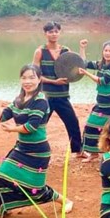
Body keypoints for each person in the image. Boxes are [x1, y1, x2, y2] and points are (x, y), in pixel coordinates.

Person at [0, 65, 73, 218]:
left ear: (39, 80)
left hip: (38, 151)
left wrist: (13, 129)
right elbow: (0, 117)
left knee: (36, 189)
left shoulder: (41, 100)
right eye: (24, 77)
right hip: (21, 148)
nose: (28, 81)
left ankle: (65, 201)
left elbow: (31, 126)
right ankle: (4, 207)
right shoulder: (18, 100)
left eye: (32, 77)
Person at [32, 21, 83, 157]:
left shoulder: (66, 51)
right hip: (46, 97)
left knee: (72, 122)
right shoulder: (40, 52)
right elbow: (34, 75)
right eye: (50, 31)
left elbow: (76, 69)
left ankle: (78, 151)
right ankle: (29, 149)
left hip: (62, 95)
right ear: (45, 34)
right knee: (38, 123)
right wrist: (54, 81)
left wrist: (79, 70)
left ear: (59, 33)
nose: (53, 34)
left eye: (56, 31)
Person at [78, 40, 110, 162]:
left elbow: (102, 81)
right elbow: (84, 63)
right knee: (91, 126)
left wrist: (86, 73)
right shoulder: (101, 64)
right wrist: (82, 48)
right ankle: (94, 154)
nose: (107, 53)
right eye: (106, 50)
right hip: (102, 104)